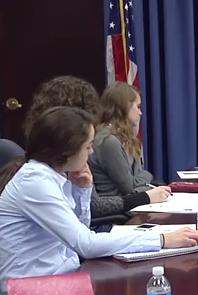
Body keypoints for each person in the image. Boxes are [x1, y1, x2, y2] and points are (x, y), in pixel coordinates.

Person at [0, 106, 198, 291]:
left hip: (58, 280)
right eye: (87, 147)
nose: (91, 152)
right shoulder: (35, 183)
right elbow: (85, 244)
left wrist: (83, 191)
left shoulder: (54, 176)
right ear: (67, 150)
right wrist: (162, 239)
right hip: (28, 291)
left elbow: (80, 231)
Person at [24, 76, 170, 218]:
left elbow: (81, 223)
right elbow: (86, 228)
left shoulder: (53, 162)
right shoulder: (40, 177)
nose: (91, 151)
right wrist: (144, 196)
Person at [90, 82, 156, 196]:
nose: (140, 113)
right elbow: (130, 188)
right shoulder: (108, 141)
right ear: (124, 107)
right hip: (116, 209)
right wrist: (148, 175)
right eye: (138, 107)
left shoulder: (122, 137)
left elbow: (136, 183)